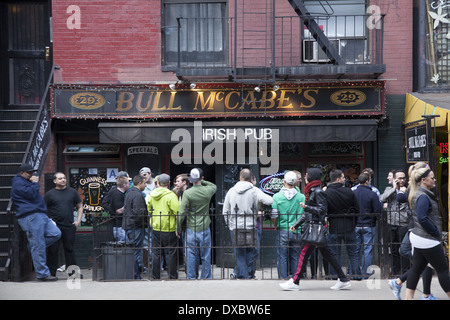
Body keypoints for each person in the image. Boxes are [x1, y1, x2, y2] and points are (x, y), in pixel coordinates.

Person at [280, 167, 351, 291]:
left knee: (303, 253)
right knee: (328, 254)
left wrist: (307, 207)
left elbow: (322, 211)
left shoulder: (318, 192)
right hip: (315, 227)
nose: (305, 177)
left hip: (315, 228)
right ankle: (343, 279)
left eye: (307, 175)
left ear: (312, 176)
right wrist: (296, 224)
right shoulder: (312, 191)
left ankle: (295, 281)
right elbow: (306, 213)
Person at [388, 162, 437, 300]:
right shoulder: (416, 189)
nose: (433, 178)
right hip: (419, 229)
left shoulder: (415, 188)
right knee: (424, 263)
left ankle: (399, 282)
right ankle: (425, 294)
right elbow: (401, 199)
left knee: (422, 263)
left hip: (417, 229)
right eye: (429, 174)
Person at [405, 167, 450, 300]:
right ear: (423, 180)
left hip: (419, 237)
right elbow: (422, 218)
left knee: (417, 269)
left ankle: (408, 298)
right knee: (443, 270)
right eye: (432, 177)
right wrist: (435, 232)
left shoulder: (419, 193)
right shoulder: (423, 196)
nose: (434, 179)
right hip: (427, 238)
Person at [10, 164, 61, 281]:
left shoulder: (25, 181)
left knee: (56, 234)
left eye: (32, 172)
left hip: (40, 215)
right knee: (39, 245)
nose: (31, 174)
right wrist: (34, 183)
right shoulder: (18, 182)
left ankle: (31, 246)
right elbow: (32, 194)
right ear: (21, 173)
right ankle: (42, 274)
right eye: (29, 172)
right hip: (31, 216)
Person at [223, 168, 273, 279]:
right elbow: (269, 200)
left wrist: (230, 224)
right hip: (250, 225)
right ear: (251, 179)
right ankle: (249, 275)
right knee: (251, 251)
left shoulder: (231, 191)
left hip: (236, 226)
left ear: (240, 178)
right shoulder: (254, 190)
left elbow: (225, 211)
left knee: (239, 253)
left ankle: (242, 275)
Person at [177, 168, 216, 279]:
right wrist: (201, 180)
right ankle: (206, 276)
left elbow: (182, 211)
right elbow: (213, 185)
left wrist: (178, 227)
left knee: (191, 255)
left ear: (191, 180)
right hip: (204, 226)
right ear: (202, 178)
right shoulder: (209, 190)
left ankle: (191, 276)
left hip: (191, 227)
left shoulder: (188, 193)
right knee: (206, 255)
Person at [44, 172, 83, 277]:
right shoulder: (49, 194)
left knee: (69, 249)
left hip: (69, 225)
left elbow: (80, 206)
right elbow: (43, 210)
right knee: (52, 250)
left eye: (64, 178)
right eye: (60, 178)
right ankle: (51, 274)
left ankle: (73, 273)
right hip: (54, 226)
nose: (63, 180)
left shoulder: (72, 192)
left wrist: (78, 221)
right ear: (54, 181)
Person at [325, 169, 360, 278]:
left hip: (334, 227)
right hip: (349, 226)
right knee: (353, 254)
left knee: (334, 254)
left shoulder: (327, 193)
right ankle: (355, 274)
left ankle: (335, 275)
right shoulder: (349, 191)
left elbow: (324, 210)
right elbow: (357, 209)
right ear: (338, 179)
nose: (345, 179)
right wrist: (353, 222)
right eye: (344, 177)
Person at [271, 171, 304, 280]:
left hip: (283, 229)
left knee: (282, 256)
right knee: (295, 256)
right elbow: (303, 214)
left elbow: (274, 215)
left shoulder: (277, 197)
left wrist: (276, 225)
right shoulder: (301, 196)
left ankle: (283, 278)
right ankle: (295, 278)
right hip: (297, 229)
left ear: (284, 181)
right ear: (295, 182)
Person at [146, 173, 180, 279]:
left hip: (156, 227)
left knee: (156, 253)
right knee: (171, 253)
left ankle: (155, 275)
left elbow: (149, 209)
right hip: (169, 228)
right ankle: (172, 275)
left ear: (158, 183)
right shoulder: (171, 195)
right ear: (169, 183)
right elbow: (177, 211)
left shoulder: (152, 195)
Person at [353, 172, 382, 277]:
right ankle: (365, 273)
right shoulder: (372, 194)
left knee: (355, 250)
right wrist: (373, 218)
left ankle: (355, 273)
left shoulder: (353, 193)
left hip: (356, 224)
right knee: (367, 250)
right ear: (367, 181)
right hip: (369, 225)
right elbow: (378, 211)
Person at [380, 169, 409, 274]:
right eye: (399, 178)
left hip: (403, 223)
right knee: (393, 248)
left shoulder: (408, 189)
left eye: (403, 178)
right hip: (391, 223)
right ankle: (395, 270)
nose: (401, 180)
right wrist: (394, 188)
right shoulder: (389, 189)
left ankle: (405, 270)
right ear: (395, 179)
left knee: (404, 248)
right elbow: (382, 198)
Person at [122, 174, 148, 279]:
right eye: (145, 183)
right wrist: (143, 222)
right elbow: (139, 212)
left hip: (129, 225)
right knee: (136, 250)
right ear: (140, 183)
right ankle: (136, 275)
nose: (146, 185)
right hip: (135, 226)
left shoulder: (129, 193)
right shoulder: (138, 195)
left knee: (132, 250)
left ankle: (133, 273)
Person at [102, 173, 130, 241]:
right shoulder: (117, 193)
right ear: (124, 185)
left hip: (120, 224)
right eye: (128, 183)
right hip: (119, 225)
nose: (129, 185)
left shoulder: (120, 193)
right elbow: (118, 210)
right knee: (124, 245)